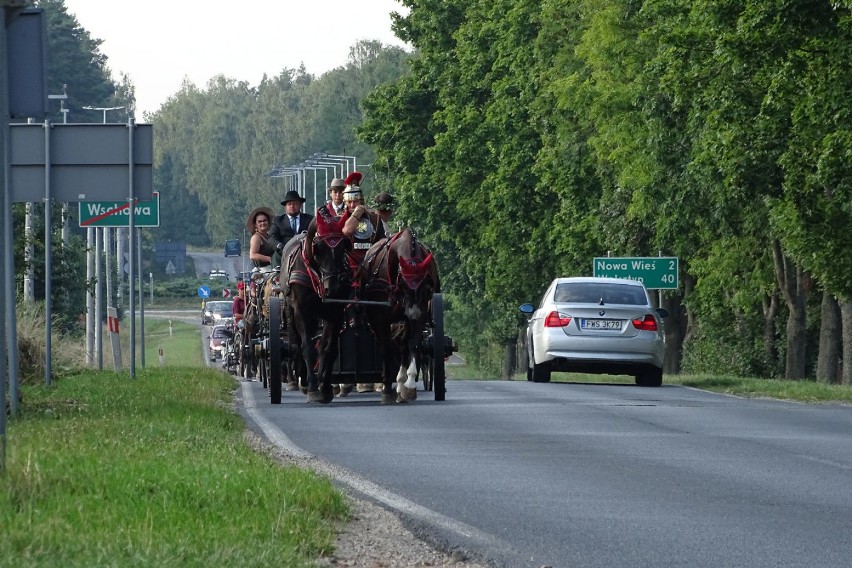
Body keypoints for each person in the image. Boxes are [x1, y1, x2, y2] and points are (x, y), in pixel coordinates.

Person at [269, 189, 314, 264]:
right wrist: (279, 246)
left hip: (305, 254)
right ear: (285, 207)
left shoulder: (309, 219)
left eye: (295, 203)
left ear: (300, 205)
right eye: (289, 204)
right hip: (283, 254)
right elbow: (272, 237)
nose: (292, 206)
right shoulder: (278, 221)